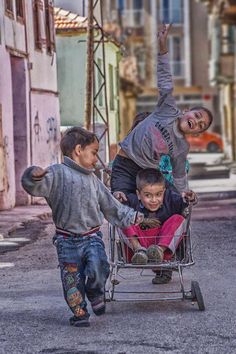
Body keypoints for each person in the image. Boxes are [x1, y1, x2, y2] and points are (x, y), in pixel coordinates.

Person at [21, 127, 144, 328]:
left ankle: (95, 292)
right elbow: (35, 185)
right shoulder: (57, 173)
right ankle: (79, 313)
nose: (97, 158)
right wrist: (32, 175)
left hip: (92, 238)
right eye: (94, 152)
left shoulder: (93, 180)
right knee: (72, 281)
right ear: (79, 150)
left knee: (100, 268)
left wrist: (133, 216)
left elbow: (110, 205)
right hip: (66, 241)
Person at [111, 23, 213, 199]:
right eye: (197, 116)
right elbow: (165, 79)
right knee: (121, 200)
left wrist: (184, 194)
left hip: (149, 174)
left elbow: (179, 176)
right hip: (125, 163)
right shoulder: (168, 109)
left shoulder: (182, 148)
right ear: (186, 111)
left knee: (174, 203)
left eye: (200, 125)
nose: (196, 122)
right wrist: (162, 47)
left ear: (197, 133)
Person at [117, 168, 197, 284]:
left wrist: (189, 198)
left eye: (158, 194)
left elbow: (184, 203)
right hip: (138, 247)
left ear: (164, 192)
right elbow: (117, 209)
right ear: (138, 194)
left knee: (178, 219)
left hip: (163, 247)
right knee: (123, 216)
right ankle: (139, 250)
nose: (154, 200)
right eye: (148, 195)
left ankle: (159, 252)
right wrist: (117, 200)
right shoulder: (132, 201)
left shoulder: (170, 199)